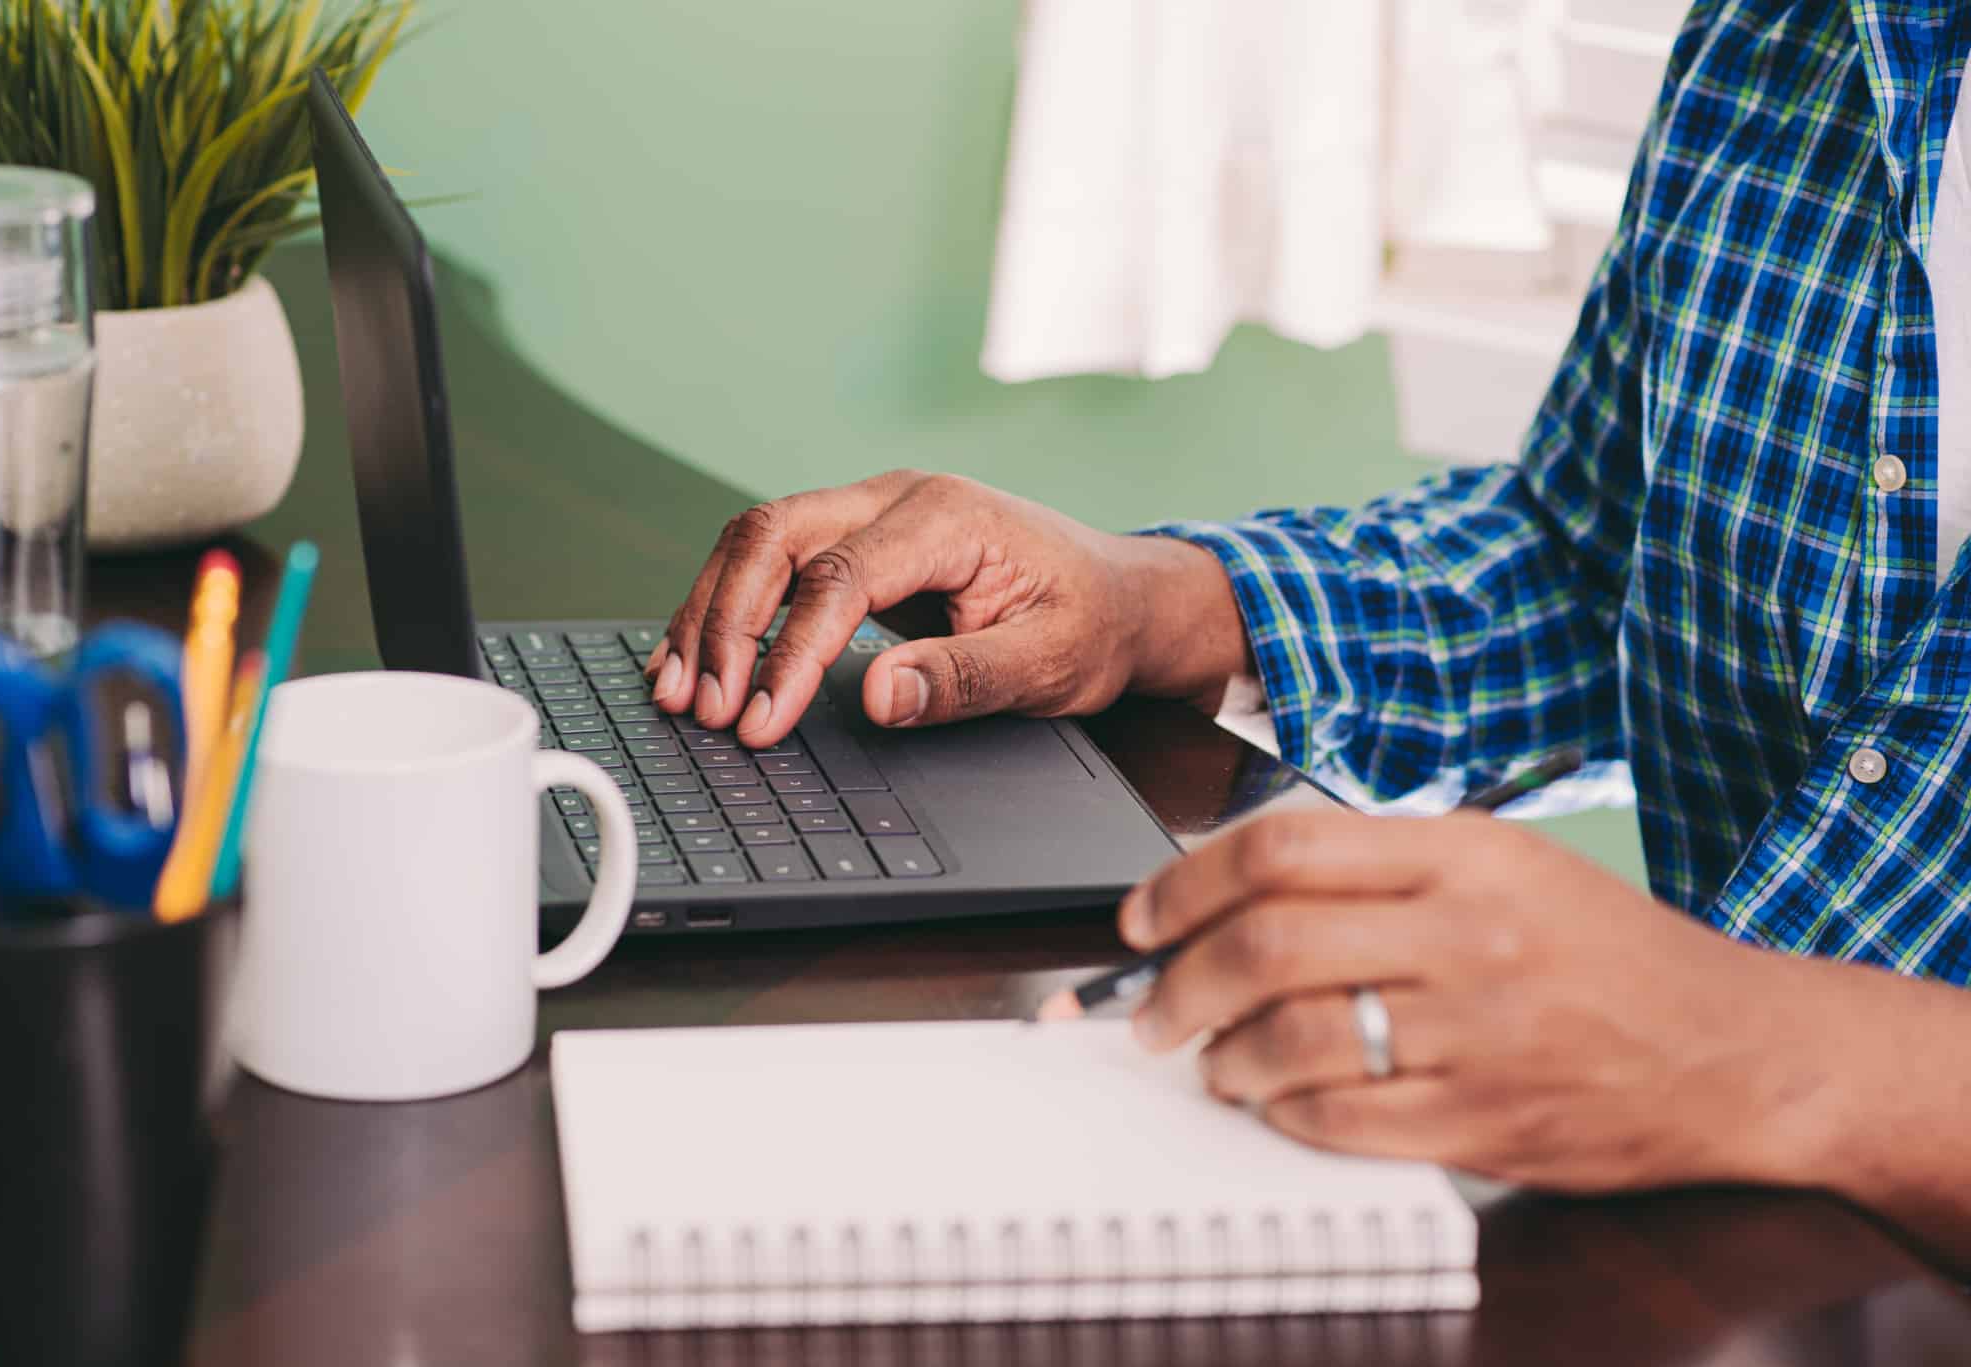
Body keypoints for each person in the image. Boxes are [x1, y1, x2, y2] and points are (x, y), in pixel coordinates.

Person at [645, 3, 1971, 1261]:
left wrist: (1766, 1047)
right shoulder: (1798, 30)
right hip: (1728, 1266)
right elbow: (1592, 566)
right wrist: (1143, 605)